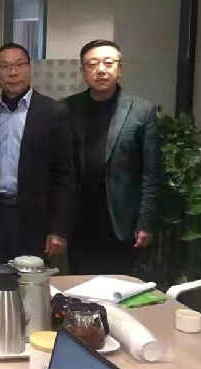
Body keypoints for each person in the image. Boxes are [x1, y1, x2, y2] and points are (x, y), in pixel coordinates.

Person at [0, 42, 74, 268]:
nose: (12, 72)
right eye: (4, 66)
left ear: (29, 68)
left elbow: (64, 175)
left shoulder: (53, 112)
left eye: (19, 65)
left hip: (37, 221)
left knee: (33, 284)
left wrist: (58, 228)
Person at [64, 39, 159, 275]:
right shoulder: (67, 108)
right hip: (79, 221)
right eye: (92, 64)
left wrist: (145, 222)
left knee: (120, 287)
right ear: (83, 71)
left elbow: (151, 173)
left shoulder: (142, 110)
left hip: (121, 222)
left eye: (108, 63)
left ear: (120, 68)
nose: (101, 70)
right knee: (79, 286)